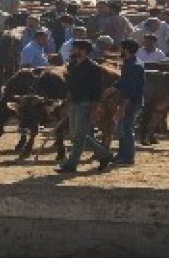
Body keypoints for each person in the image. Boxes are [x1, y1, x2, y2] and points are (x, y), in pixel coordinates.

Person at [56, 40, 114, 173]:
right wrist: (66, 102)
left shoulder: (94, 68)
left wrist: (94, 109)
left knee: (79, 136)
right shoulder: (72, 66)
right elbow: (70, 87)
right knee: (75, 135)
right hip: (74, 103)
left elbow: (97, 91)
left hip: (86, 104)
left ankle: (71, 164)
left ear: (83, 51)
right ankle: (105, 155)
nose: (72, 51)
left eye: (75, 49)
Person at [114, 39, 144, 166]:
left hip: (130, 102)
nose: (120, 50)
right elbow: (122, 82)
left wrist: (122, 107)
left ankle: (128, 157)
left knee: (126, 129)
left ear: (126, 49)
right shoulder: (130, 63)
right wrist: (112, 88)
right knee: (122, 128)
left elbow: (129, 89)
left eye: (121, 48)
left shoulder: (134, 66)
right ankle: (121, 155)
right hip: (129, 101)